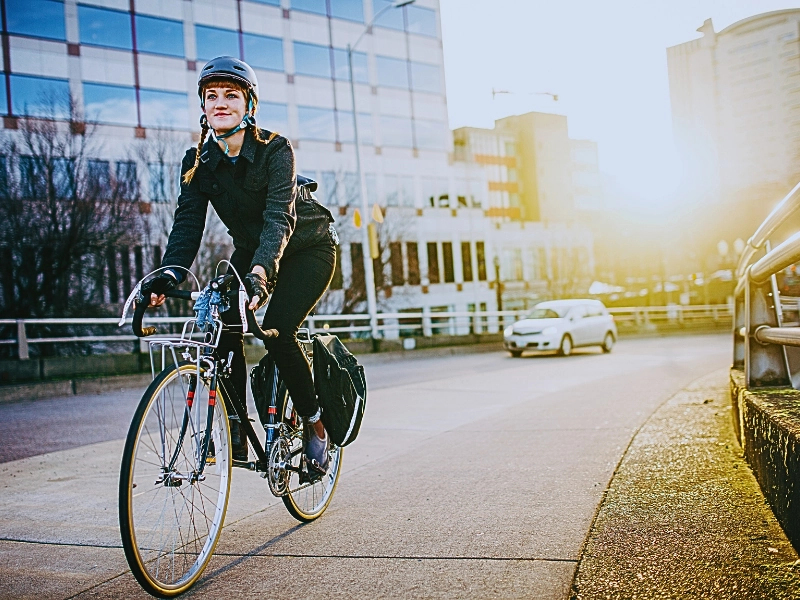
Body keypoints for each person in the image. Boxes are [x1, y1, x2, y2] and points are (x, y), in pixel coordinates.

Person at [142, 56, 337, 474]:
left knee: (277, 329)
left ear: (249, 105)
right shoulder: (197, 162)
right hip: (251, 250)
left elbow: (279, 218)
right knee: (224, 319)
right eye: (211, 95)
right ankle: (235, 425)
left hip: (307, 246)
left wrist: (261, 274)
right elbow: (187, 224)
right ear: (203, 106)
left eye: (231, 95)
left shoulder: (275, 149)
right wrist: (168, 273)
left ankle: (315, 422)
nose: (220, 103)